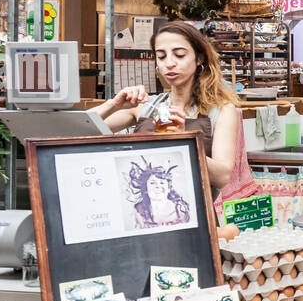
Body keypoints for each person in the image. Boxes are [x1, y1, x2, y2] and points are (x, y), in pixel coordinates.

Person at [90, 21, 242, 191]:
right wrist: (113, 104)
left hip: (195, 212)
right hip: (142, 211)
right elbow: (75, 130)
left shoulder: (221, 110)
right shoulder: (145, 106)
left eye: (179, 55)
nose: (169, 63)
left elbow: (222, 177)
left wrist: (186, 140)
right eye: (161, 56)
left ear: (199, 58)